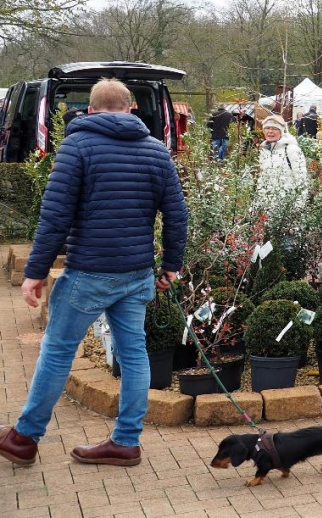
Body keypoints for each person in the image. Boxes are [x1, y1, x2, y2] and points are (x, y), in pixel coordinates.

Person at [0, 78, 188, 469]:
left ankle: (24, 437)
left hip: (89, 272)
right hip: (136, 273)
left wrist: (35, 272)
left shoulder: (77, 145)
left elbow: (55, 215)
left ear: (90, 110)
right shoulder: (157, 151)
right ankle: (125, 442)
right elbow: (176, 215)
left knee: (57, 351)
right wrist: (170, 264)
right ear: (131, 108)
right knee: (134, 353)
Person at [256, 114, 309, 214]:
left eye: (274, 128)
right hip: (267, 208)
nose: (270, 131)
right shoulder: (264, 151)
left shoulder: (292, 150)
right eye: (267, 128)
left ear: (281, 131)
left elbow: (302, 180)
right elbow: (262, 180)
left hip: (287, 209)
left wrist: (298, 207)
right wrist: (257, 205)